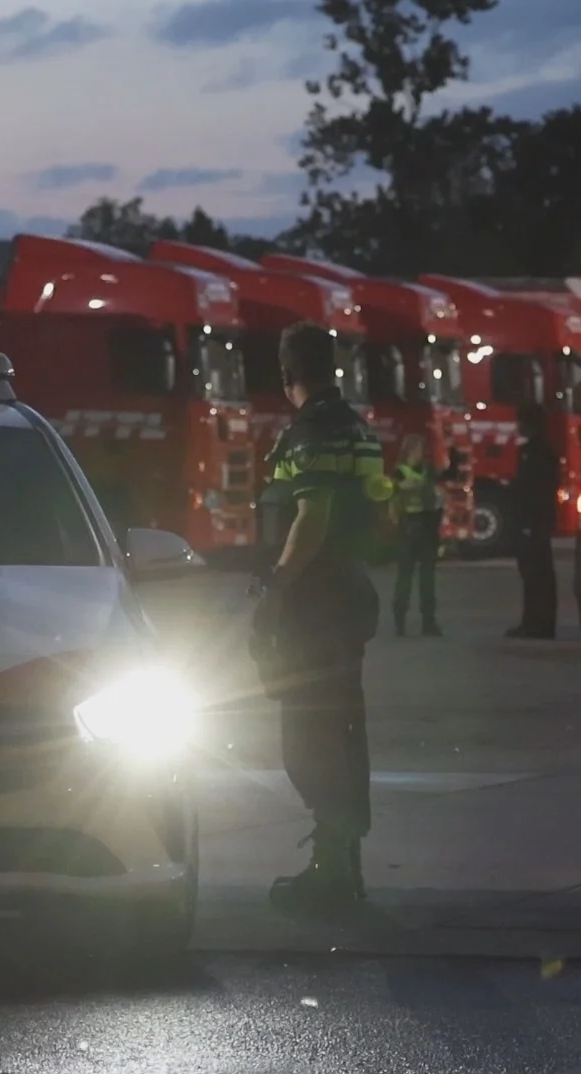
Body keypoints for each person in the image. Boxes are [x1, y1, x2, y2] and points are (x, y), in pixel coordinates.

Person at [248, 321, 394, 912]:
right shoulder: (359, 430)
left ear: (288, 376)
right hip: (348, 596)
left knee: (308, 735)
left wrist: (279, 583)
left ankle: (331, 868)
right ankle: (342, 862)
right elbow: (383, 514)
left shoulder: (310, 434)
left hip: (312, 603)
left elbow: (312, 515)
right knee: (341, 729)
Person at [390, 433, 455, 637]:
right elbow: (391, 497)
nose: (422, 454)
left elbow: (446, 478)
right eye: (418, 450)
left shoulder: (428, 470)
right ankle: (400, 620)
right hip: (409, 526)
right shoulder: (400, 472)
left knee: (428, 577)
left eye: (423, 450)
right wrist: (402, 489)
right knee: (405, 577)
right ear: (408, 451)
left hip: (427, 525)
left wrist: (453, 453)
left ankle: (429, 621)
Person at [507, 402, 560, 639]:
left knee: (534, 575)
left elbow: (532, 491)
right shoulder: (546, 451)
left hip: (533, 522)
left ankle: (535, 623)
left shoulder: (534, 453)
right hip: (540, 521)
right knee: (540, 575)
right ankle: (540, 623)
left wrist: (526, 523)